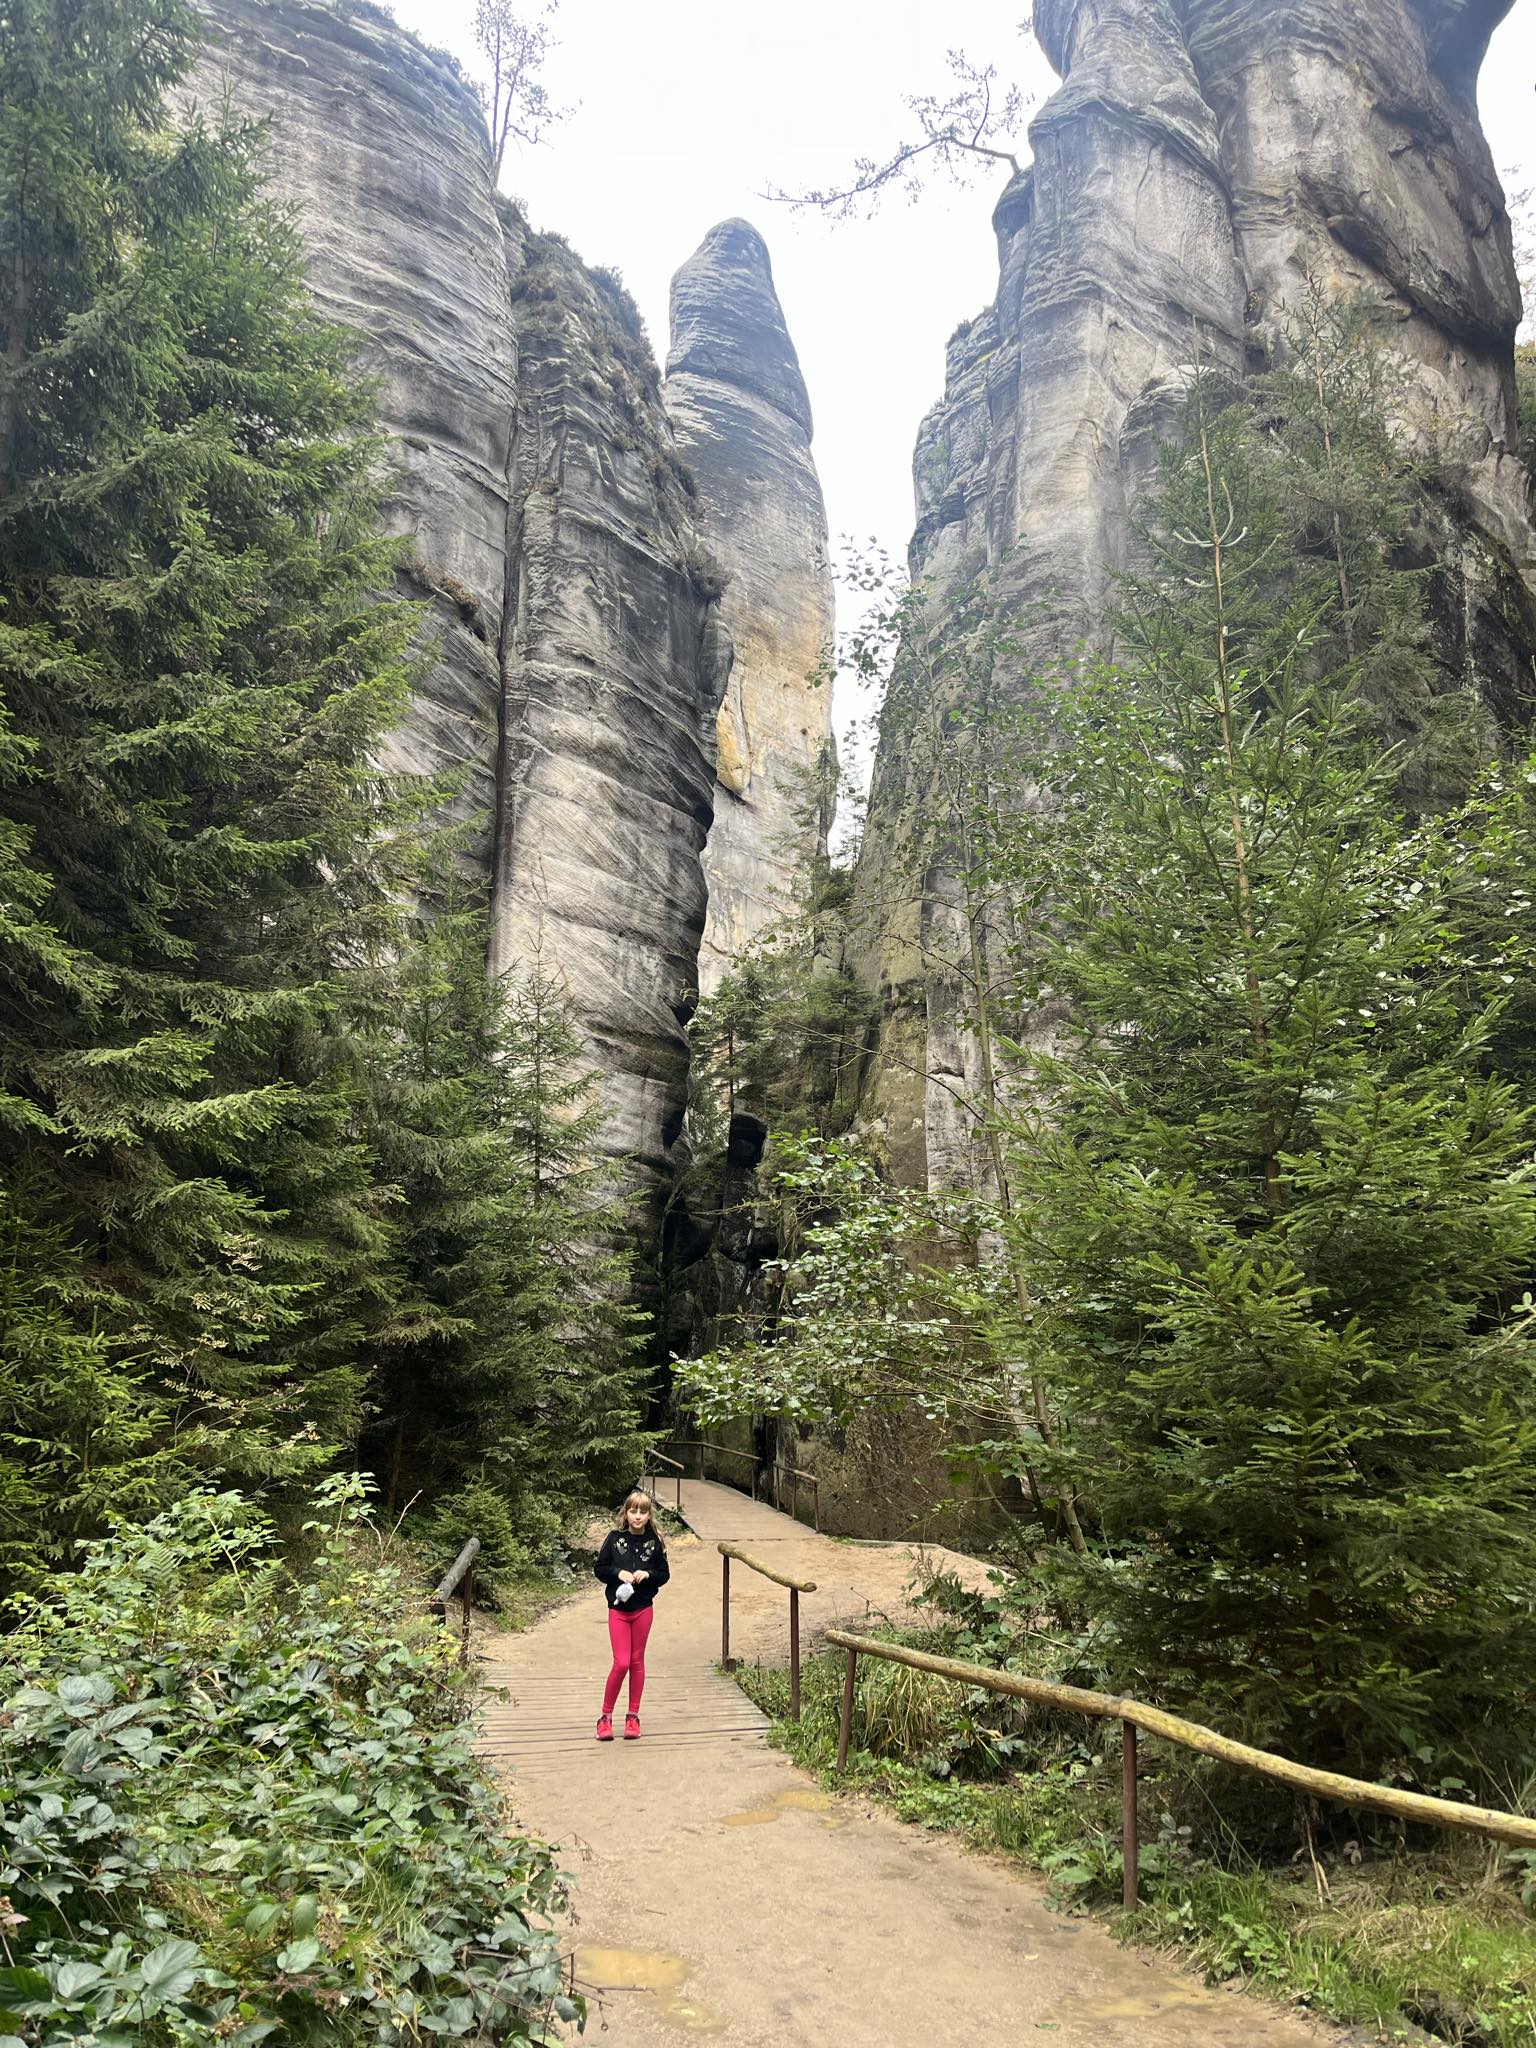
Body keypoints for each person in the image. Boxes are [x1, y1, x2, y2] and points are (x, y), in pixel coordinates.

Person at [593, 1489, 670, 1741]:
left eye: (643, 1512)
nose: (637, 1516)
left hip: (643, 1609)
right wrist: (618, 1573)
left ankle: (633, 1716)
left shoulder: (654, 1543)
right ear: (625, 1513)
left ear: (649, 1515)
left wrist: (648, 1574)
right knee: (621, 1662)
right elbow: (600, 1568)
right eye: (633, 1511)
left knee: (637, 1661)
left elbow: (664, 1574)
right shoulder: (615, 1539)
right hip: (618, 1610)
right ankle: (605, 1717)